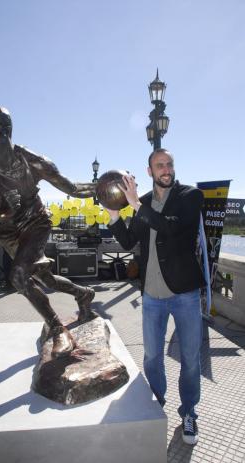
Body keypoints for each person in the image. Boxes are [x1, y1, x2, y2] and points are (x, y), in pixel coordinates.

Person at [0, 105, 97, 358]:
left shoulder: (33, 162)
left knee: (19, 276)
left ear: (6, 130)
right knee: (46, 281)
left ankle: (58, 329)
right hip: (7, 233)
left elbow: (72, 188)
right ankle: (84, 294)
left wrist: (102, 188)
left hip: (36, 223)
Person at [107, 148, 205, 445]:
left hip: (185, 294)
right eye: (160, 165)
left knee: (190, 359)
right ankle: (156, 403)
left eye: (169, 164)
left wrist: (136, 204)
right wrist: (114, 214)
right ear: (149, 171)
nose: (166, 169)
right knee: (151, 358)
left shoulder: (190, 197)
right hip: (151, 296)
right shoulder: (145, 203)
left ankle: (188, 412)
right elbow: (127, 241)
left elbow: (172, 230)